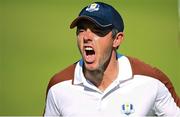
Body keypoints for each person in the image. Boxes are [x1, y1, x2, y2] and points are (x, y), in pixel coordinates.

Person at [44, 2, 180, 116]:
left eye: (97, 30)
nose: (86, 37)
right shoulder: (58, 87)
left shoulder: (152, 81)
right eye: (81, 30)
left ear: (116, 39)